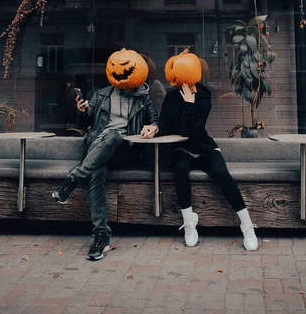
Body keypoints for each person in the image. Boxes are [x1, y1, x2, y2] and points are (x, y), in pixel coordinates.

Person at [51, 49, 158, 261]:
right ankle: (101, 236)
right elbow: (86, 123)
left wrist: (152, 128)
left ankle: (73, 180)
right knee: (96, 173)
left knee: (113, 135)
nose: (121, 73)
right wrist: (82, 111)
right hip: (97, 152)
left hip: (124, 152)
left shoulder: (144, 98)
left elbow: (155, 120)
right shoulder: (101, 95)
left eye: (127, 69)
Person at [157, 54, 258, 251]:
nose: (171, 74)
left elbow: (192, 131)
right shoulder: (170, 96)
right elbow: (168, 126)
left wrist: (189, 103)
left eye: (176, 69)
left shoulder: (204, 97)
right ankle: (189, 222)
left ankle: (247, 225)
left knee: (222, 173)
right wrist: (154, 128)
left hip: (203, 147)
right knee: (180, 169)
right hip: (181, 148)